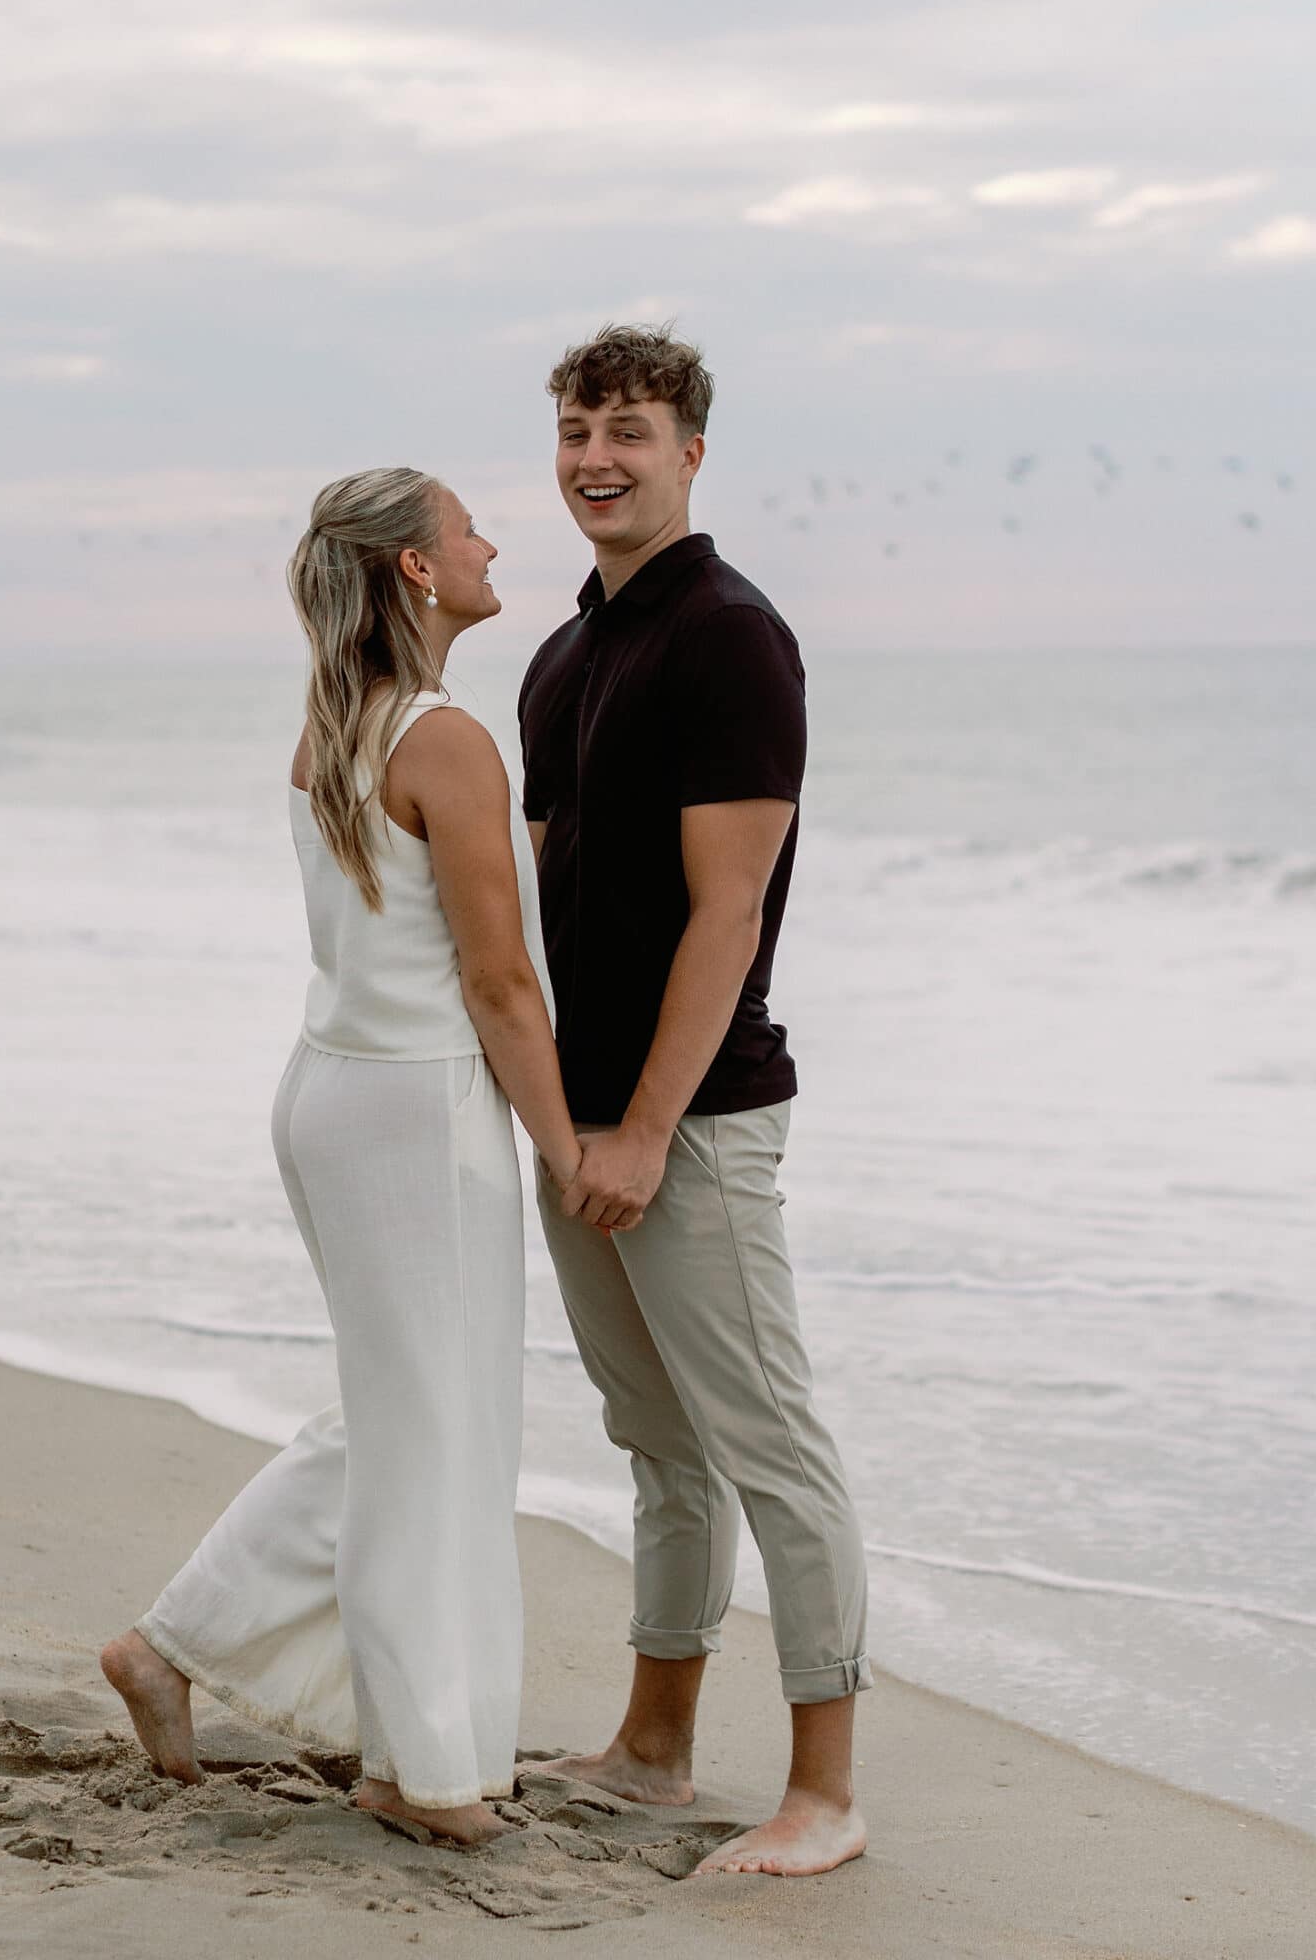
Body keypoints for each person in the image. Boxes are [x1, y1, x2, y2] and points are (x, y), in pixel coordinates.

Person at [100, 468, 584, 1848]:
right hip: (413, 1115)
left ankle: (178, 1645)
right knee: (436, 1435)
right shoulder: (447, 740)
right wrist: (566, 1155)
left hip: (333, 1093)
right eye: (467, 526)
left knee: (401, 1421)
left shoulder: (337, 725)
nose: (492, 541)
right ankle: (418, 1774)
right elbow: (500, 987)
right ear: (417, 572)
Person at [518, 324, 871, 1878]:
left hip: (698, 1121)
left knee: (770, 1445)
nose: (601, 458)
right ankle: (654, 1750)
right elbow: (542, 914)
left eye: (633, 431)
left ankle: (827, 1795)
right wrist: (555, 1122)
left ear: (692, 454)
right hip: (574, 1120)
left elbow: (727, 913)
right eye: (581, 430)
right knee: (656, 1442)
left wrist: (648, 1128)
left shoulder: (732, 636)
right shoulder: (560, 653)